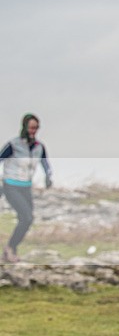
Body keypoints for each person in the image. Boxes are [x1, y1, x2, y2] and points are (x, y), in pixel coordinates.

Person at [0, 113, 53, 263]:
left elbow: (45, 164)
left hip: (26, 187)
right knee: (26, 217)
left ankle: (11, 250)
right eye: (31, 127)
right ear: (24, 127)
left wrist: (48, 177)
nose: (33, 131)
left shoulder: (39, 147)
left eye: (36, 128)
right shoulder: (14, 145)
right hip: (11, 185)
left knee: (27, 220)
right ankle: (10, 249)